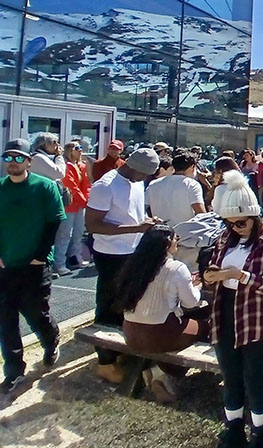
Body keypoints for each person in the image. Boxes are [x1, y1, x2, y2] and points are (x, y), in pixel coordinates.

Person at [204, 171, 263, 448]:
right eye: (229, 224)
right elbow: (216, 267)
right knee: (230, 376)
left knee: (254, 379)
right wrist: (209, 275)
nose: (235, 228)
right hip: (225, 312)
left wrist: (240, 276)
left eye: (240, 223)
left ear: (254, 217)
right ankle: (234, 428)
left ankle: (261, 433)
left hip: (257, 318)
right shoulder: (225, 238)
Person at [85, 147, 161, 383]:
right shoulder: (105, 186)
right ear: (133, 167)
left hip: (131, 250)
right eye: (144, 175)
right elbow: (93, 225)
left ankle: (118, 351)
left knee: (126, 303)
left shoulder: (136, 181)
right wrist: (137, 228)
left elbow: (130, 215)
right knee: (108, 306)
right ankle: (105, 362)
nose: (145, 180)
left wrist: (144, 223)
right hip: (110, 253)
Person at [0, 141, 64, 395]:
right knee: (5, 321)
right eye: (8, 157)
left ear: (29, 162)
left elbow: (54, 221)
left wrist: (40, 256)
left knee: (37, 313)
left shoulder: (44, 186)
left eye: (19, 158)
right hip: (5, 266)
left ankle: (51, 340)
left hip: (34, 266)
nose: (13, 162)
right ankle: (14, 371)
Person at [116, 225, 205, 402]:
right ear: (166, 245)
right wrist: (197, 286)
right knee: (206, 327)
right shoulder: (176, 268)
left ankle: (156, 371)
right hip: (159, 334)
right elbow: (192, 302)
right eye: (175, 238)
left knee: (184, 326)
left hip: (131, 333)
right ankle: (165, 374)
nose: (177, 241)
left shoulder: (134, 266)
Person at [54, 141, 91, 276]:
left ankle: (75, 257)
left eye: (81, 148)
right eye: (77, 148)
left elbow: (86, 184)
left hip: (80, 205)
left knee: (78, 232)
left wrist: (86, 199)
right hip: (69, 205)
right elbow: (71, 186)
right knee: (65, 234)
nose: (80, 150)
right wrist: (83, 200)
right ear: (70, 150)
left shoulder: (81, 165)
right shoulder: (67, 166)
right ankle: (59, 263)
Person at [145, 152, 206, 228]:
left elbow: (143, 206)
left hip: (159, 232)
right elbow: (201, 214)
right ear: (192, 167)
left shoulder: (153, 184)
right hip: (185, 234)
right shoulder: (192, 184)